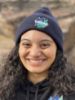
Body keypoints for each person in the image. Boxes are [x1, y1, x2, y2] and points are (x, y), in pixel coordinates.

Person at [0, 7, 75, 100]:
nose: (34, 53)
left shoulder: (71, 91)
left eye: (44, 45)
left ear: (57, 49)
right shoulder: (3, 89)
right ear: (18, 49)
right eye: (27, 44)